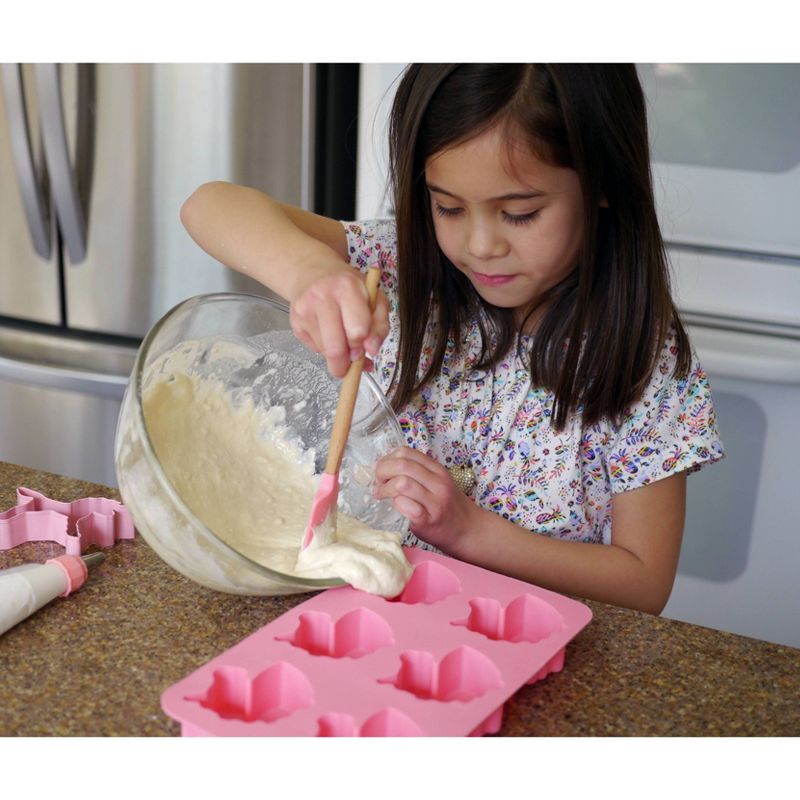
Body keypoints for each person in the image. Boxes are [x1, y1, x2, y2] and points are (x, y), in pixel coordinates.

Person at [181, 64, 724, 615]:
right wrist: (309, 273)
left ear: (603, 181)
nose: (481, 245)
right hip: (364, 626)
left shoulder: (642, 363)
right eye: (449, 207)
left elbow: (643, 583)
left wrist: (469, 532)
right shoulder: (401, 267)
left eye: (520, 214)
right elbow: (208, 205)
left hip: (533, 656)